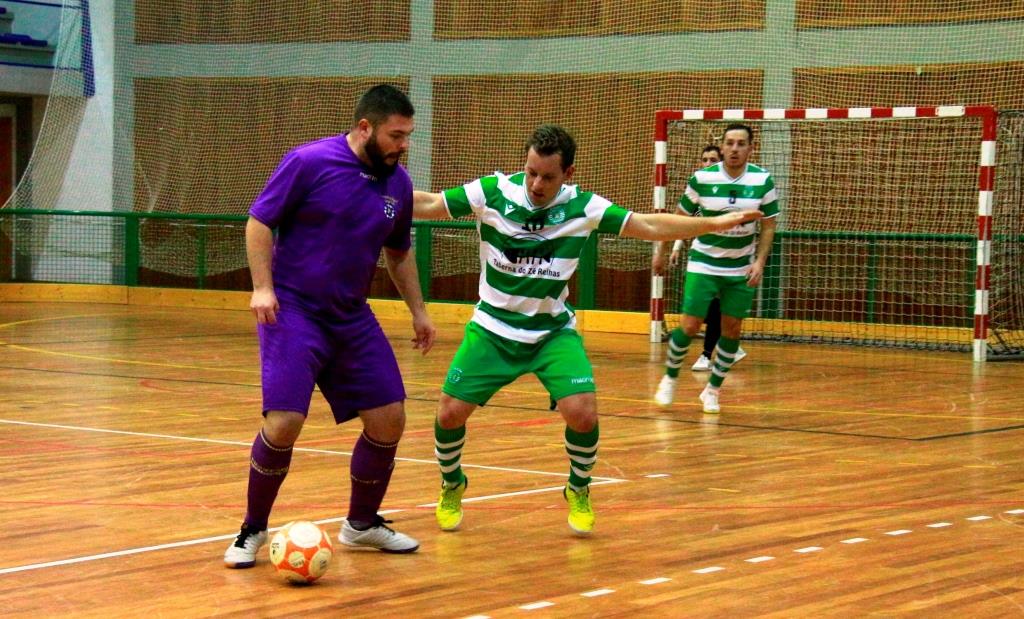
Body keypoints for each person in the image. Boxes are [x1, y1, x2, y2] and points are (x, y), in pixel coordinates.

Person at [413, 124, 761, 536]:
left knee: (582, 414)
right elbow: (431, 203)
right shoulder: (492, 192)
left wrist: (714, 225)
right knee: (449, 413)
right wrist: (372, 195)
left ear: (569, 174)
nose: (537, 184)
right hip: (492, 328)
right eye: (531, 172)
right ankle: (453, 483)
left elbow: (648, 226)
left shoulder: (583, 207)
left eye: (548, 176)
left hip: (551, 333)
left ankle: (578, 488)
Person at [224, 84, 436, 569]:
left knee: (389, 419)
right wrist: (263, 287)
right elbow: (259, 222)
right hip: (294, 310)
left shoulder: (398, 185)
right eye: (396, 135)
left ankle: (361, 524)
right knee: (284, 423)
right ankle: (252, 528)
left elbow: (399, 253)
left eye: (407, 136)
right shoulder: (308, 162)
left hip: (351, 316)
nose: (403, 146)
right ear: (365, 128)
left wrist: (420, 312)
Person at [654, 124, 778, 413]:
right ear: (721, 147)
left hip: (739, 268)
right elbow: (679, 218)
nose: (735, 148)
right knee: (689, 325)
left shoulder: (763, 181)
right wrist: (661, 251)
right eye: (730, 143)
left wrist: (759, 262)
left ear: (751, 148)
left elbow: (769, 225)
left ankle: (712, 390)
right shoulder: (702, 179)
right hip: (704, 262)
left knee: (732, 330)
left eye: (741, 143)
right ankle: (670, 378)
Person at [652, 145, 747, 372]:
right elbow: (685, 223)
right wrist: (673, 248)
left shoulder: (735, 190)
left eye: (712, 159)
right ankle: (730, 348)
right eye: (704, 159)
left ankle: (707, 354)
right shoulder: (701, 189)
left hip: (732, 260)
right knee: (705, 308)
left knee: (714, 307)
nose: (707, 163)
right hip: (703, 257)